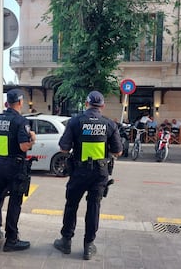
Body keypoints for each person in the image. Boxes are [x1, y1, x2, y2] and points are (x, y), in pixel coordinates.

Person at [53, 91, 123, 260]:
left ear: (86, 104)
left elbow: (63, 148)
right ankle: (88, 246)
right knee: (94, 207)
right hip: (100, 173)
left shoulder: (75, 121)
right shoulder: (109, 124)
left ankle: (66, 241)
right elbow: (118, 151)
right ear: (102, 106)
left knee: (71, 205)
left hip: (79, 172)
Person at [0, 89, 36, 252]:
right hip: (16, 166)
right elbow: (23, 146)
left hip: (0, 164)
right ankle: (11, 240)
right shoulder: (21, 121)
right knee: (15, 202)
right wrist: (32, 140)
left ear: (8, 103)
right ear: (20, 102)